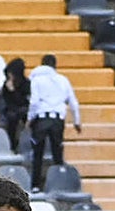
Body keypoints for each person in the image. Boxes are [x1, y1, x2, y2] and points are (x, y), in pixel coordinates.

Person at [27, 54, 81, 191]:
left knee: (38, 152)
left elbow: (34, 101)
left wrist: (30, 118)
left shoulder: (36, 80)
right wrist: (77, 121)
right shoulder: (63, 80)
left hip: (41, 118)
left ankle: (35, 185)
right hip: (57, 119)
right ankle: (60, 183)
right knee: (57, 153)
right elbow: (73, 102)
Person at [0, 58, 30, 152]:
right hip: (11, 109)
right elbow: (6, 100)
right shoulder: (6, 85)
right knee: (12, 117)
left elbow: (23, 101)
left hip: (24, 108)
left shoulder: (26, 84)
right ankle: (12, 144)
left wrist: (13, 91)